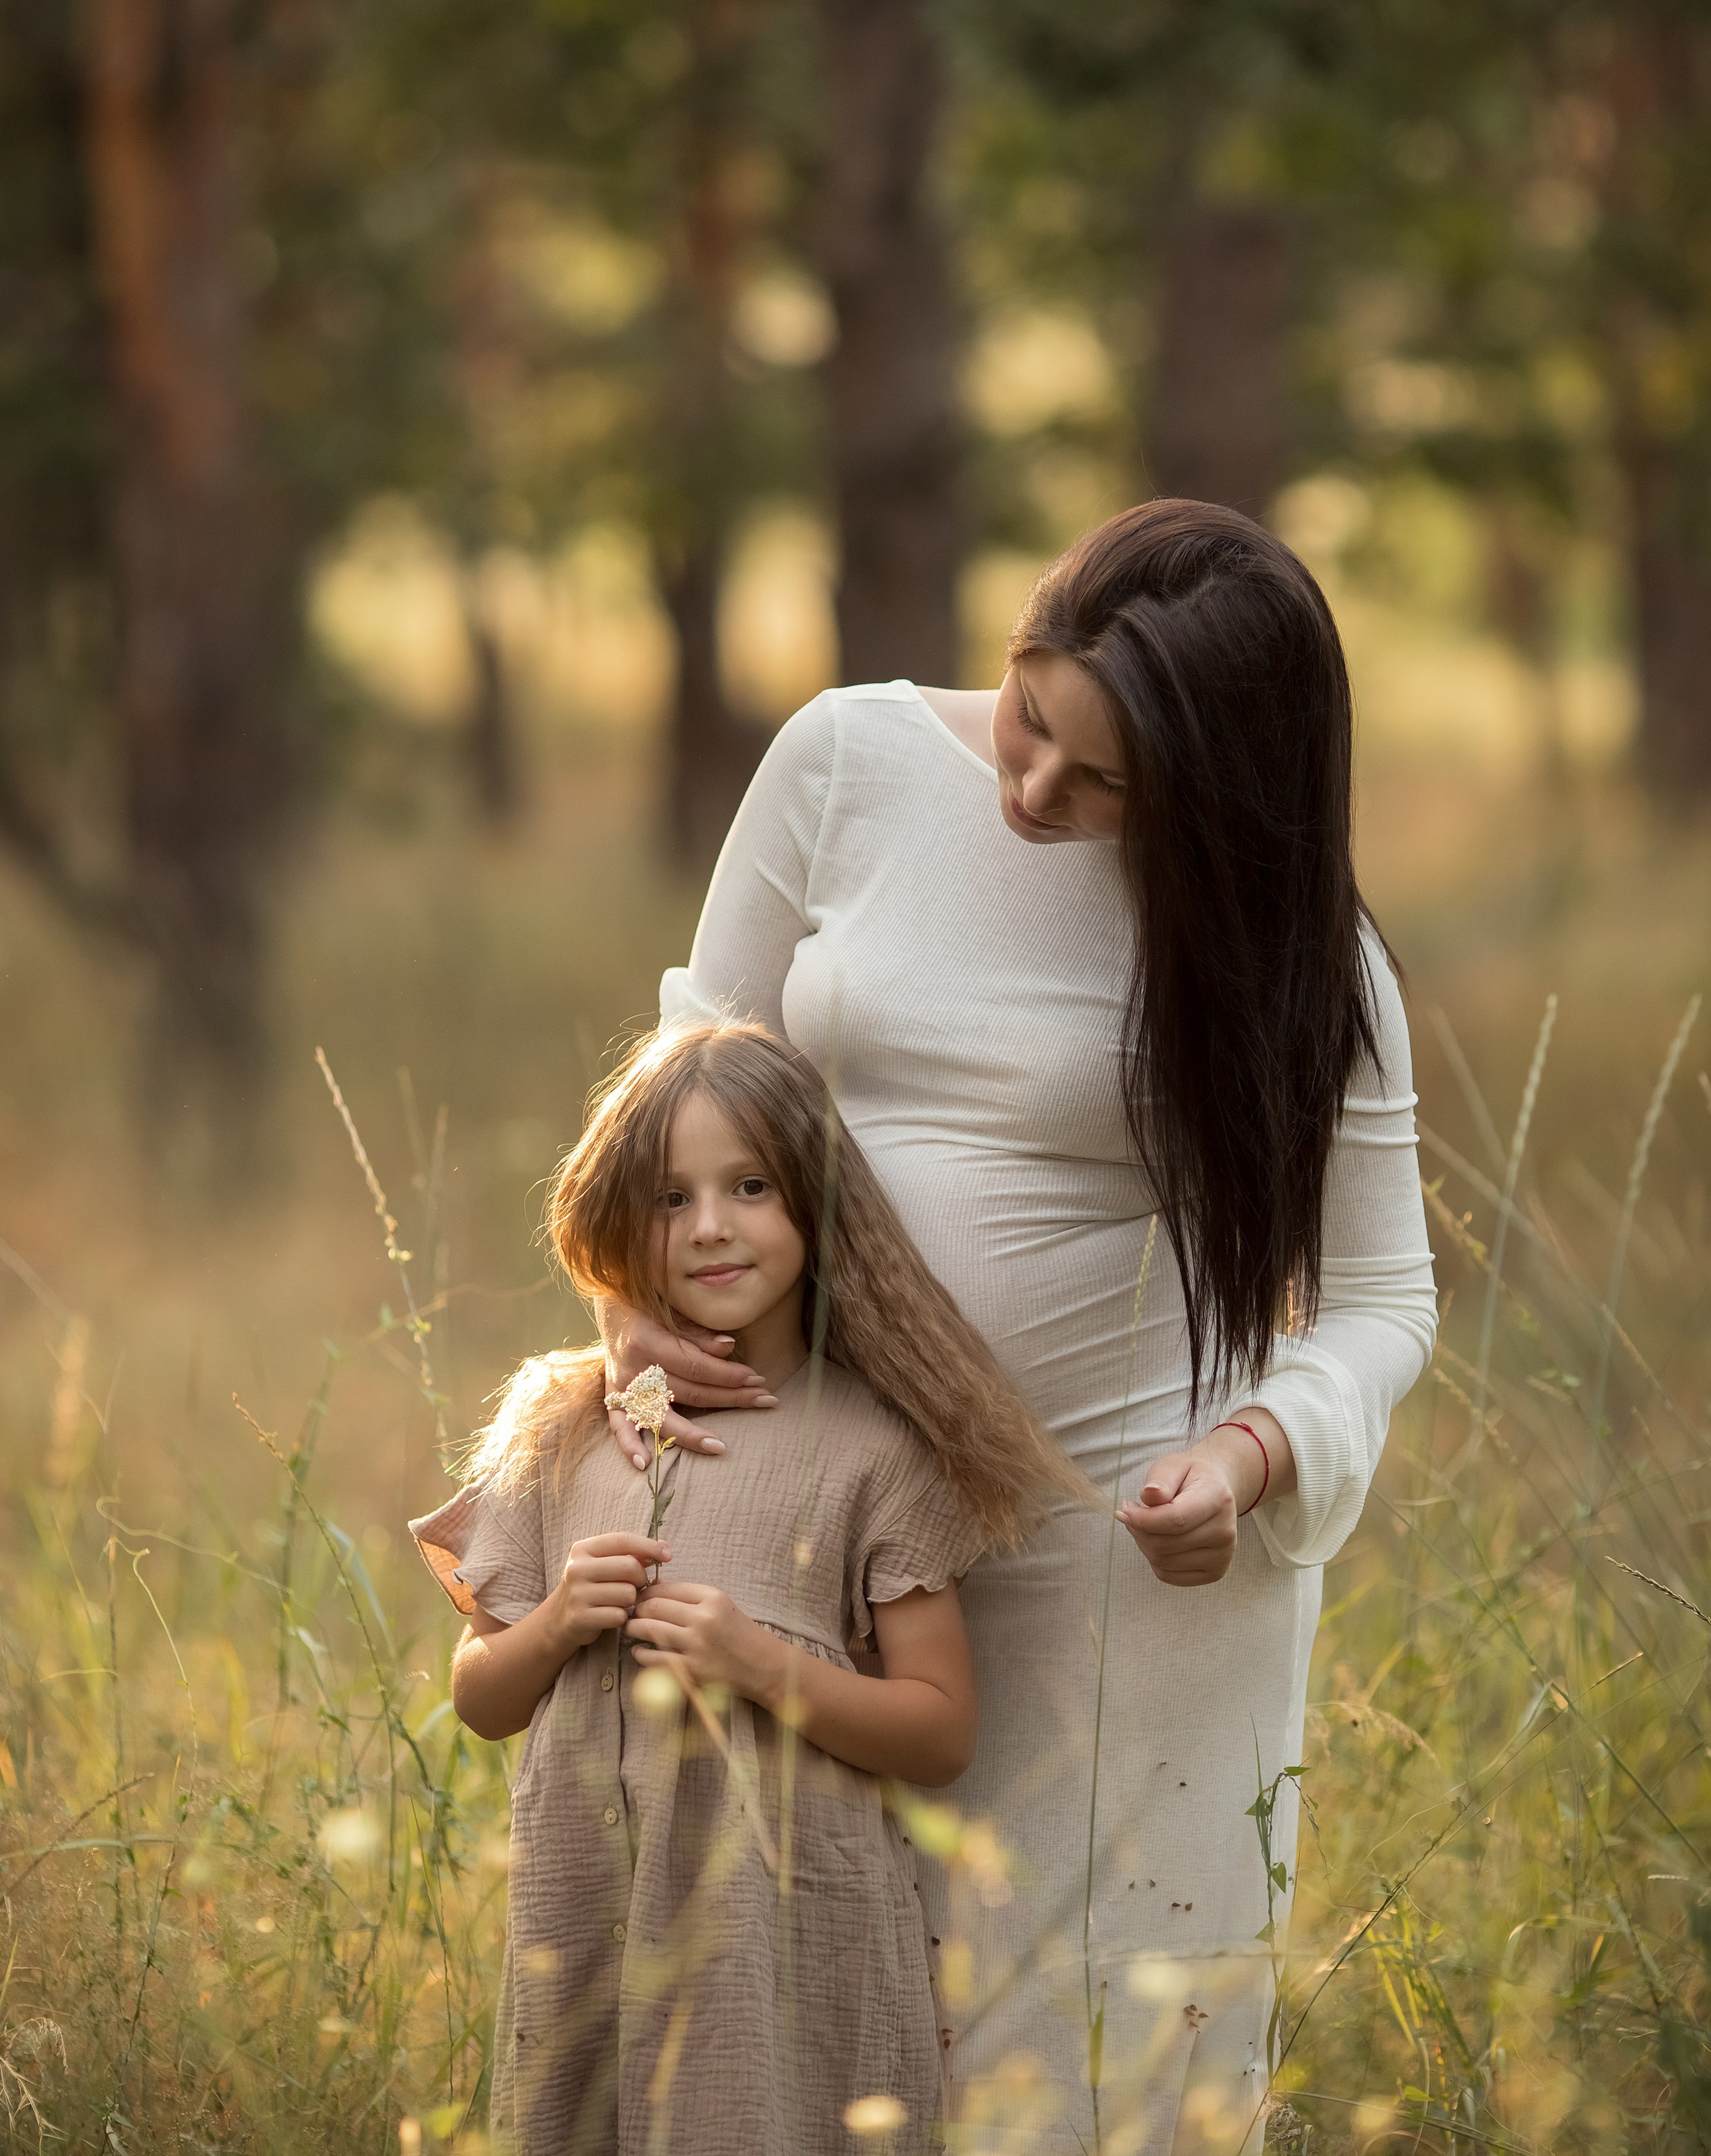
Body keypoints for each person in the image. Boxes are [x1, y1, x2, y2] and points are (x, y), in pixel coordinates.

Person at [598, 500, 1438, 2154]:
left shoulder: (1295, 955)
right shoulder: (842, 762)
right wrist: (634, 1302)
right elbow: (690, 1054)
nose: (1035, 789)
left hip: (1114, 1576)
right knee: (788, 2036)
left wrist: (1249, 1454)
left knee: (1077, 2069)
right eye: (1029, 715)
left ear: (1216, 790)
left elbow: (1380, 1296)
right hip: (824, 1532)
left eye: (1104, 781)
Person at [411, 1018, 1085, 2156]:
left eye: (752, 1186)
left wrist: (761, 1666)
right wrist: (557, 1624)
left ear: (817, 1205)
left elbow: (941, 1730)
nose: (710, 1227)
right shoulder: (560, 1428)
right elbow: (480, 1697)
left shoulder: (874, 1448)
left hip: (778, 1955)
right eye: (670, 1199)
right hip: (583, 1927)